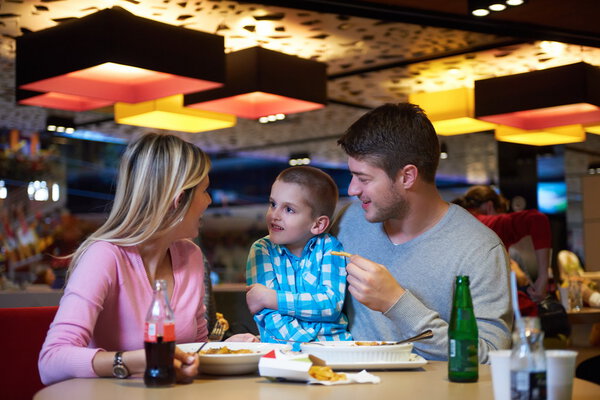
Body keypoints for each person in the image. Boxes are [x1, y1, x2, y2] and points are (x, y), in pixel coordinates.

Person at [39, 133, 257, 386]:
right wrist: (135, 361)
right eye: (205, 191)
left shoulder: (191, 256)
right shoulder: (104, 256)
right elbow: (51, 361)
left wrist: (222, 349)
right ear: (178, 200)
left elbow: (194, 347)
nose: (209, 201)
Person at [331, 103, 512, 363]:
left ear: (407, 176)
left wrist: (397, 303)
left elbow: (489, 358)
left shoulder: (479, 249)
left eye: (364, 178)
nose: (352, 189)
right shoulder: (348, 221)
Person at [246, 166, 352, 344]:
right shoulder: (262, 249)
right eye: (273, 204)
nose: (275, 215)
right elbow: (268, 314)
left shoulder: (330, 247)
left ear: (318, 225)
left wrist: (272, 298)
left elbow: (330, 305)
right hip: (283, 350)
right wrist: (307, 344)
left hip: (335, 349)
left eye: (289, 209)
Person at [455, 185, 551, 302]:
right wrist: (543, 277)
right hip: (485, 302)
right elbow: (538, 219)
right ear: (489, 206)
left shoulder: (454, 220)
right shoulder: (491, 224)